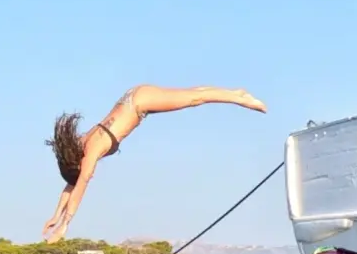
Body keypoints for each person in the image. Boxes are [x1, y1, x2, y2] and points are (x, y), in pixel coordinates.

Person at [43, 85, 266, 242]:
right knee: (194, 93)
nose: (87, 173)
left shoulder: (90, 153)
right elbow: (73, 184)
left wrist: (64, 225)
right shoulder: (83, 144)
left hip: (139, 102)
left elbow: (81, 184)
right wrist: (55, 215)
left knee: (194, 98)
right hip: (133, 97)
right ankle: (236, 93)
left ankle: (241, 99)